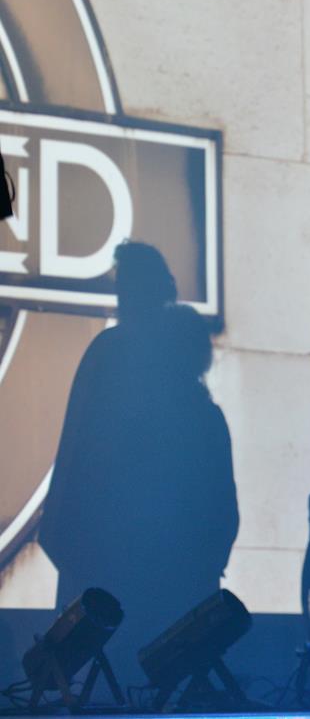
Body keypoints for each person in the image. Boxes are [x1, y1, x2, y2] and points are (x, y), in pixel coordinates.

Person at [38, 243, 237, 683]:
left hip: (130, 552)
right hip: (136, 552)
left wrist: (64, 536)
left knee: (116, 674)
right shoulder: (135, 358)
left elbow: (79, 451)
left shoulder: (115, 352)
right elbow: (83, 449)